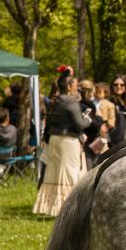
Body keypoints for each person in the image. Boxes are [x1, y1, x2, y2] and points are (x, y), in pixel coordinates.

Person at [33, 70, 91, 216]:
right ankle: (69, 208)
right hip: (68, 141)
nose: (77, 88)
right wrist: (87, 120)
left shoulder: (55, 101)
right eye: (75, 85)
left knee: (54, 174)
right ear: (69, 87)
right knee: (70, 173)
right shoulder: (71, 102)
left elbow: (50, 123)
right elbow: (79, 124)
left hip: (54, 140)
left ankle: (51, 207)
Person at [79, 80, 106, 170]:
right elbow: (95, 124)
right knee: (91, 170)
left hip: (92, 141)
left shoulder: (82, 104)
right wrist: (99, 118)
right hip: (88, 141)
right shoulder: (86, 105)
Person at [109, 75, 126, 145]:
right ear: (112, 87)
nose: (119, 87)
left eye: (122, 85)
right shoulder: (109, 101)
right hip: (114, 143)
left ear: (125, 86)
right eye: (116, 85)